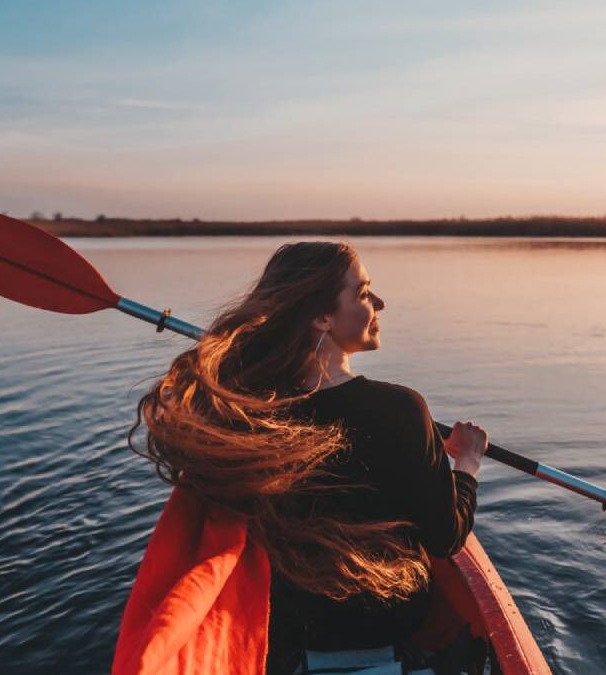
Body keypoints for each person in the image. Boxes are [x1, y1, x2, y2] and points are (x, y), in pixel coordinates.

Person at [129, 241, 489, 674]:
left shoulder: (243, 418)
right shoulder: (402, 409)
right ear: (321, 317)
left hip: (286, 644)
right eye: (363, 293)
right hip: (389, 632)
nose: (379, 303)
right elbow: (446, 538)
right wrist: (466, 462)